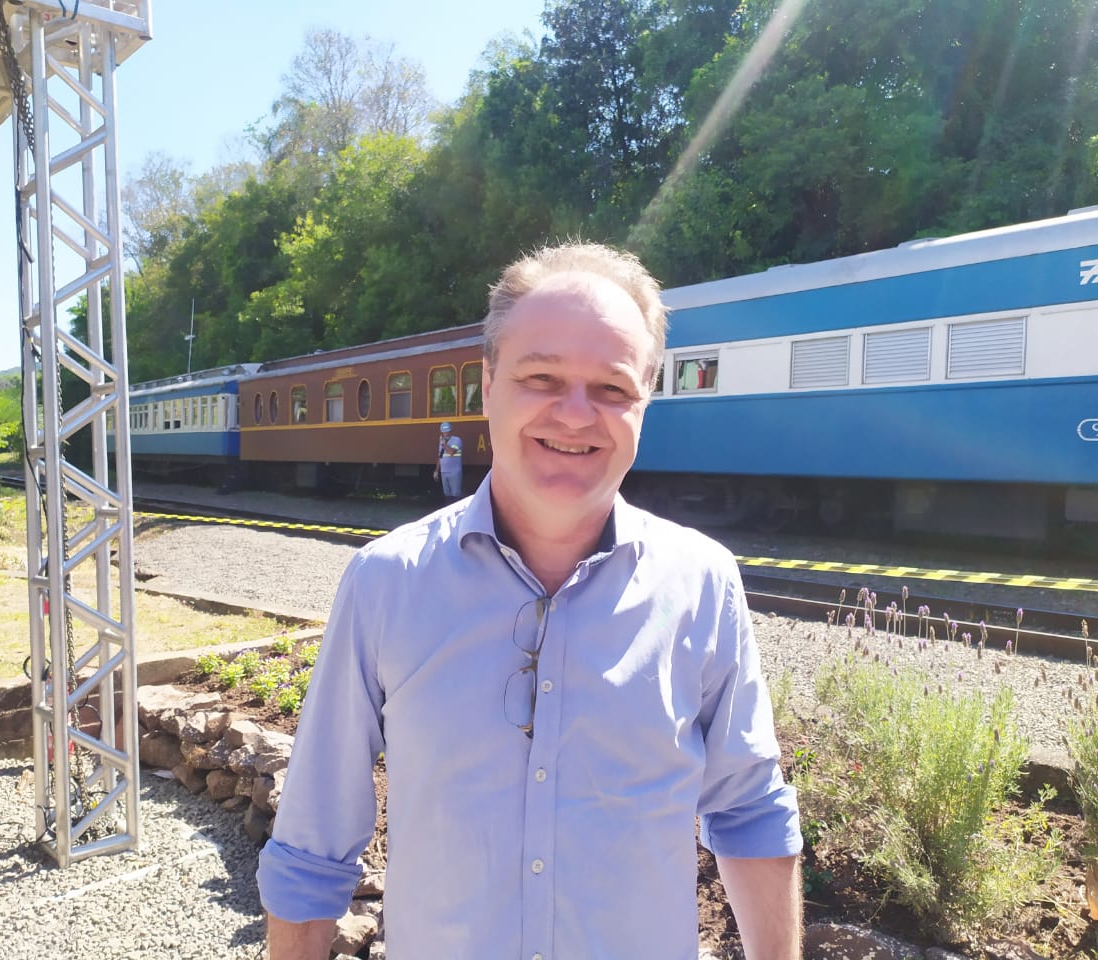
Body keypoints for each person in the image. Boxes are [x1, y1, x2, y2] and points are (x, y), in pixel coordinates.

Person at [257, 242, 803, 959]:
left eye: (611, 389)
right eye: (542, 377)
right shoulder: (385, 583)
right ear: (487, 386)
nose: (575, 415)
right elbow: (311, 849)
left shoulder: (703, 584)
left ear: (646, 401)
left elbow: (751, 810)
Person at [433, 420, 464, 500]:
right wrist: (436, 471)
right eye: (444, 432)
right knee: (447, 495)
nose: (446, 434)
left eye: (447, 431)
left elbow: (451, 452)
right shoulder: (442, 442)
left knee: (456, 494)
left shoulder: (457, 440)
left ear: (450, 431)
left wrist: (444, 444)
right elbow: (440, 456)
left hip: (454, 472)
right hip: (444, 472)